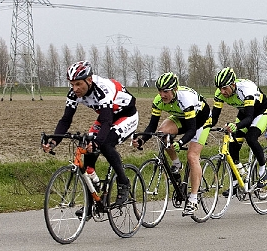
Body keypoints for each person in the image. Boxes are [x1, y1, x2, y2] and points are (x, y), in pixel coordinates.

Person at [42, 60, 138, 213]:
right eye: (72, 84)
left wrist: (98, 143)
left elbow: (107, 121)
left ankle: (123, 182)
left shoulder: (103, 89)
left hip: (126, 115)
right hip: (107, 116)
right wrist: (54, 141)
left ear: (89, 80)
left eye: (78, 84)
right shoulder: (74, 94)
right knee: (87, 147)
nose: (75, 88)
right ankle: (90, 203)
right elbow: (66, 119)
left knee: (105, 144)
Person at [132, 72, 211, 216]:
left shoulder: (185, 99)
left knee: (192, 156)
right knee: (162, 132)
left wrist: (180, 143)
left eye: (166, 91)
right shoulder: (158, 101)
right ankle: (176, 164)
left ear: (174, 90)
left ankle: (193, 200)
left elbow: (191, 129)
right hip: (181, 117)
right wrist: (142, 139)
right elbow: (152, 126)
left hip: (201, 121)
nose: (162, 95)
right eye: (160, 91)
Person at [211, 67, 267, 196]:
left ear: (233, 84)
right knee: (232, 145)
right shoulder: (219, 93)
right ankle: (236, 181)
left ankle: (263, 170)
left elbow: (250, 118)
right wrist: (204, 127)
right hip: (245, 113)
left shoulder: (246, 89)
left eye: (225, 88)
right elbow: (214, 117)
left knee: (251, 138)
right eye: (220, 88)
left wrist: (236, 125)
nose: (222, 92)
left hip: (261, 112)